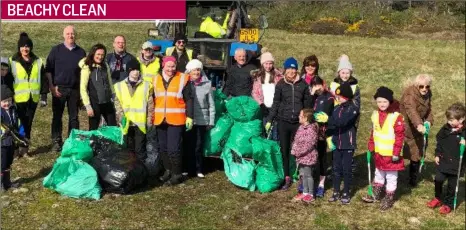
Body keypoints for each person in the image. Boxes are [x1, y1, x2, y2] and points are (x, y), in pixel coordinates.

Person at [265, 57, 312, 190]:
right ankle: (287, 177)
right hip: (283, 121)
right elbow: (276, 103)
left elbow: (308, 105)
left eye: (294, 68)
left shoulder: (303, 85)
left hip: (298, 123)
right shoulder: (280, 84)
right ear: (285, 70)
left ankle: (302, 176)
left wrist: (307, 121)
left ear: (297, 70)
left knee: (301, 150)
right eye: (289, 68)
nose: (291, 71)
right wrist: (270, 119)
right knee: (284, 150)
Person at [362, 87, 405, 211]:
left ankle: (389, 196)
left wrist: (396, 152)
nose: (382, 104)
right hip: (379, 151)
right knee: (379, 172)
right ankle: (376, 191)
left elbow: (399, 136)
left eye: (385, 102)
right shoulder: (375, 115)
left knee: (391, 175)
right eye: (379, 101)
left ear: (390, 102)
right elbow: (374, 132)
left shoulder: (396, 117)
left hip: (392, 154)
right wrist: (371, 145)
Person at [153, 56, 194, 186]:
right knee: (163, 147)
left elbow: (189, 99)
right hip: (160, 119)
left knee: (173, 148)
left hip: (176, 119)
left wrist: (190, 116)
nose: (171, 69)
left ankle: (177, 174)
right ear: (163, 66)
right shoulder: (155, 79)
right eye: (168, 66)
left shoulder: (183, 78)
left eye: (173, 66)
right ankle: (168, 170)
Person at [45, 25, 86, 152]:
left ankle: (72, 140)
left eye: (72, 33)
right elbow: (48, 70)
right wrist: (51, 86)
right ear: (63, 35)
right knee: (57, 116)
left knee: (74, 117)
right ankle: (56, 141)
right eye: (68, 34)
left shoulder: (81, 52)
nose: (70, 36)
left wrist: (82, 92)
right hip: (59, 89)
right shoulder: (56, 50)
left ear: (76, 35)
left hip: (75, 89)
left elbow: (84, 73)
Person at [9, 32, 48, 157]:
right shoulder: (12, 61)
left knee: (28, 123)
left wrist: (43, 97)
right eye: (22, 46)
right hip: (17, 99)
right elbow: (9, 80)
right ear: (19, 47)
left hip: (33, 98)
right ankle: (15, 150)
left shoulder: (38, 61)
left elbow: (43, 79)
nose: (25, 48)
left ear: (30, 47)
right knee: (16, 123)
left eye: (27, 46)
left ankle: (25, 149)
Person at [427, 103, 465, 214]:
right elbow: (439, 142)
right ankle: (438, 198)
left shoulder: (464, 132)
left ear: (461, 119)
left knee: (452, 186)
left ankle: (448, 204)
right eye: (448, 119)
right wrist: (437, 154)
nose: (449, 122)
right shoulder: (445, 129)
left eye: (452, 120)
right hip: (443, 161)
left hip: (456, 164)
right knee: (438, 179)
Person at [326, 83, 360, 204]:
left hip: (347, 144)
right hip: (336, 143)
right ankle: (336, 191)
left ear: (347, 96)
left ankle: (346, 191)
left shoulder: (353, 109)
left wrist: (328, 119)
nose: (337, 98)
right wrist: (328, 135)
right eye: (336, 96)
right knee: (336, 168)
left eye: (340, 96)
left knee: (346, 169)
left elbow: (341, 122)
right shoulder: (336, 108)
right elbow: (332, 124)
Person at [114, 59, 154, 161]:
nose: (136, 72)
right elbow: (117, 103)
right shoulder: (119, 86)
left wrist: (149, 119)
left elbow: (150, 104)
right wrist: (121, 117)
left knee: (140, 150)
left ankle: (140, 172)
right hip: (126, 123)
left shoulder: (147, 85)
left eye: (137, 70)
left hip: (140, 124)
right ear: (128, 71)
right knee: (127, 150)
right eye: (133, 70)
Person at [400, 74, 434, 187]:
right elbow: (411, 111)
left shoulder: (428, 93)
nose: (424, 89)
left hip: (420, 126)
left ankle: (412, 178)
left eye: (427, 86)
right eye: (421, 86)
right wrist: (419, 124)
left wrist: (429, 121)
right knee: (401, 149)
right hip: (406, 125)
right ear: (416, 86)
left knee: (418, 151)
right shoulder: (409, 95)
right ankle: (392, 173)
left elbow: (429, 109)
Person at [183, 59, 215, 178]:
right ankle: (187, 168)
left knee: (198, 145)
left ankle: (199, 168)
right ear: (189, 72)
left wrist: (211, 121)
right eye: (194, 70)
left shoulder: (207, 84)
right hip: (188, 119)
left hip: (202, 119)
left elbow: (211, 104)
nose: (196, 72)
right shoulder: (185, 83)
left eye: (198, 70)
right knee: (187, 144)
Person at [80, 44, 117, 130]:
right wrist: (88, 106)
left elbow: (110, 82)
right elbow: (83, 88)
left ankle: (110, 143)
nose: (100, 57)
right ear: (93, 54)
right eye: (98, 54)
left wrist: (113, 96)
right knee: (93, 128)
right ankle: (93, 143)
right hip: (94, 103)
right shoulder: (87, 67)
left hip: (107, 101)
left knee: (113, 126)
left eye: (102, 55)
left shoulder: (105, 65)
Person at [309, 76, 335, 198]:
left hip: (322, 133)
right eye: (314, 85)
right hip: (310, 131)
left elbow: (327, 114)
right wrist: (311, 95)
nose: (317, 88)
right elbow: (307, 110)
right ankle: (308, 182)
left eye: (318, 85)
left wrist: (326, 120)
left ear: (323, 84)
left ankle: (321, 184)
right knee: (309, 157)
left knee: (322, 158)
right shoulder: (312, 97)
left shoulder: (329, 97)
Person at [251, 51, 283, 141]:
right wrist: (261, 104)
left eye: (270, 64)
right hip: (265, 108)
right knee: (266, 131)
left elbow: (282, 91)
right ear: (262, 64)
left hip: (276, 107)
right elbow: (255, 92)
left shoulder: (278, 76)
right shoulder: (259, 76)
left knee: (276, 132)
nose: (268, 66)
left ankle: (276, 148)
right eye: (266, 63)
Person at [291, 108, 319, 203]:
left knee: (308, 175)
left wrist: (298, 152)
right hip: (300, 156)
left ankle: (311, 194)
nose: (298, 116)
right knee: (302, 175)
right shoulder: (300, 127)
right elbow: (296, 140)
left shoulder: (312, 129)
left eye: (300, 115)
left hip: (308, 157)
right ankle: (305, 191)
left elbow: (308, 145)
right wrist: (294, 150)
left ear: (306, 118)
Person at [1, 85, 24, 190]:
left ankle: (7, 182)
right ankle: (1, 184)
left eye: (9, 100)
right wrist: (3, 132)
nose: (7, 103)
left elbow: (18, 123)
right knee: (2, 162)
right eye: (4, 101)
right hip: (2, 142)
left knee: (9, 161)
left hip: (11, 141)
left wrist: (22, 135)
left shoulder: (13, 110)